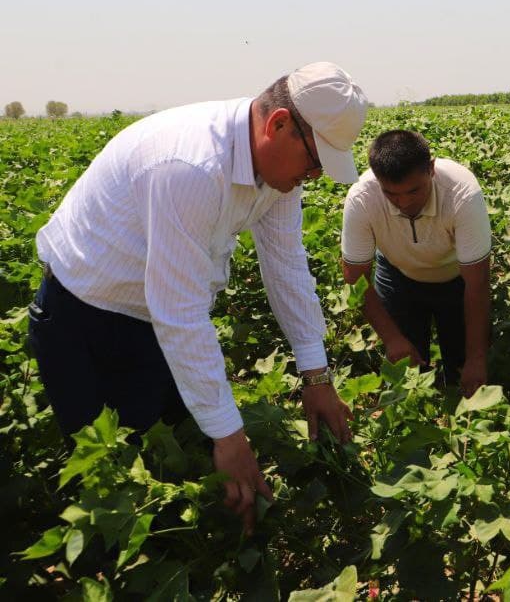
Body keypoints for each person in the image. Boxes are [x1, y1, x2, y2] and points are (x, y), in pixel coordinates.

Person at [31, 61, 368, 533]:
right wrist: (230, 436)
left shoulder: (279, 173)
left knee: (179, 458)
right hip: (85, 321)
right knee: (116, 491)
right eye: (314, 164)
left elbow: (287, 265)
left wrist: (317, 376)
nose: (312, 177)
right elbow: (180, 311)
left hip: (153, 320)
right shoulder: (188, 166)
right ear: (279, 125)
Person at [340, 130, 491, 397]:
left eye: (414, 190)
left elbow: (477, 283)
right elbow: (355, 276)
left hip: (457, 279)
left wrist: (476, 359)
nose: (404, 202)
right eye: (392, 194)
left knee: (463, 368)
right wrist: (393, 339)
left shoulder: (462, 193)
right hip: (397, 275)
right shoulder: (362, 198)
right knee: (405, 375)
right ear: (377, 180)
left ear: (431, 169)